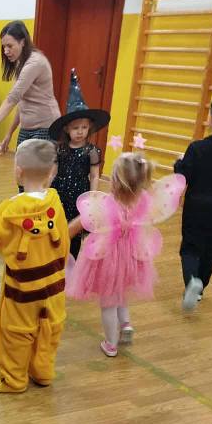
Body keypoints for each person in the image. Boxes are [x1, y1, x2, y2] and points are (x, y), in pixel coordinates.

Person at [67, 153, 184, 357]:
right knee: (120, 291)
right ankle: (126, 324)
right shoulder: (144, 201)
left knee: (108, 302)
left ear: (115, 181)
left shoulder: (107, 203)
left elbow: (84, 222)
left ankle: (110, 344)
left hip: (107, 257)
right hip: (132, 256)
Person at [0, 138, 69, 393]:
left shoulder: (11, 210)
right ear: (51, 172)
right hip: (55, 287)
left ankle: (13, 380)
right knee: (49, 329)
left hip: (22, 290)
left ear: (18, 172)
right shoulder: (55, 202)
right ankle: (43, 372)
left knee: (15, 333)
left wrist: (7, 206)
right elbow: (64, 241)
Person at [174, 92, 212, 311]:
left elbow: (183, 176)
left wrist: (178, 164)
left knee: (190, 247)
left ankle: (192, 281)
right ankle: (200, 288)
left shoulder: (197, 148)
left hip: (196, 204)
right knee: (211, 246)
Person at [0, 20, 61, 155]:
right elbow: (21, 102)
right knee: (21, 167)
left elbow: (12, 99)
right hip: (27, 127)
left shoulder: (35, 62)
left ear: (23, 42)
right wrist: (9, 133)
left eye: (10, 46)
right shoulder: (20, 63)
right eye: (4, 46)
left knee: (34, 167)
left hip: (45, 126)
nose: (6, 51)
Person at [49, 70, 110, 258]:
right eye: (76, 128)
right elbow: (53, 172)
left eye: (84, 127)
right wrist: (45, 191)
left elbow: (94, 175)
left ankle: (72, 260)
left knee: (75, 231)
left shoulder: (92, 151)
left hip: (79, 196)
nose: (80, 131)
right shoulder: (60, 149)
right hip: (60, 193)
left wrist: (93, 196)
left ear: (89, 127)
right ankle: (55, 258)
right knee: (57, 226)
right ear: (67, 129)